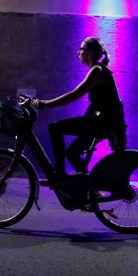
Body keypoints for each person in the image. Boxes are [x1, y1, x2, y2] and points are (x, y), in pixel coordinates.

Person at [33, 36, 127, 179]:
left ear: (89, 54)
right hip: (107, 121)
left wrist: (46, 104)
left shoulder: (97, 70)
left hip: (106, 122)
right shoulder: (99, 70)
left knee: (55, 127)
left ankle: (58, 175)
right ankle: (92, 190)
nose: (78, 53)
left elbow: (75, 94)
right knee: (72, 152)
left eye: (81, 49)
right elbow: (100, 103)